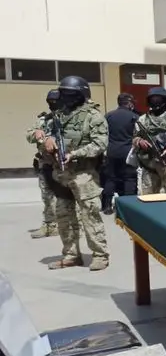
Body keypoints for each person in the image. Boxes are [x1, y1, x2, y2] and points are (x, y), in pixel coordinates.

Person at [42, 76, 110, 271]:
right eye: (65, 94)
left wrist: (75, 154)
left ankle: (100, 254)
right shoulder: (59, 115)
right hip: (61, 175)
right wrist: (48, 139)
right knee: (64, 216)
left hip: (84, 175)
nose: (67, 98)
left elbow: (100, 144)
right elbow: (45, 132)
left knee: (90, 215)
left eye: (72, 94)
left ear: (82, 94)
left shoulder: (94, 116)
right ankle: (71, 254)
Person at [26, 89, 64, 238]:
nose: (52, 104)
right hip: (46, 164)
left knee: (67, 197)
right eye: (50, 102)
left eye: (55, 101)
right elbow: (29, 135)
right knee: (47, 196)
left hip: (64, 164)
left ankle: (71, 226)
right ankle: (49, 225)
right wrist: (36, 133)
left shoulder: (68, 118)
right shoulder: (43, 120)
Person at [102, 93, 139, 213]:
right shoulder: (134, 117)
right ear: (129, 103)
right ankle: (127, 206)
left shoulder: (108, 116)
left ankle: (107, 205)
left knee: (110, 178)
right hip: (128, 152)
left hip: (112, 151)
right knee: (129, 178)